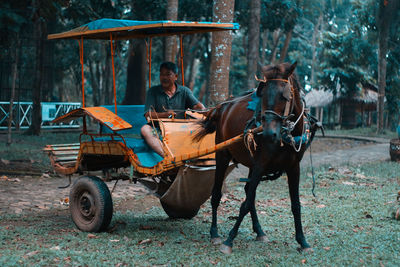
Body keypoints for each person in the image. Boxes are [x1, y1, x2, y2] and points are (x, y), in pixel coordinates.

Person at [141, 62, 205, 157]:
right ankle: (168, 158)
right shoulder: (153, 91)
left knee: (202, 127)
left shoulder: (184, 91)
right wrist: (165, 115)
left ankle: (196, 159)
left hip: (180, 130)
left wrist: (202, 108)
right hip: (158, 130)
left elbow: (197, 107)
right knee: (145, 129)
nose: (164, 77)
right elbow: (148, 115)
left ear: (175, 76)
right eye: (162, 74)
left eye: (168, 74)